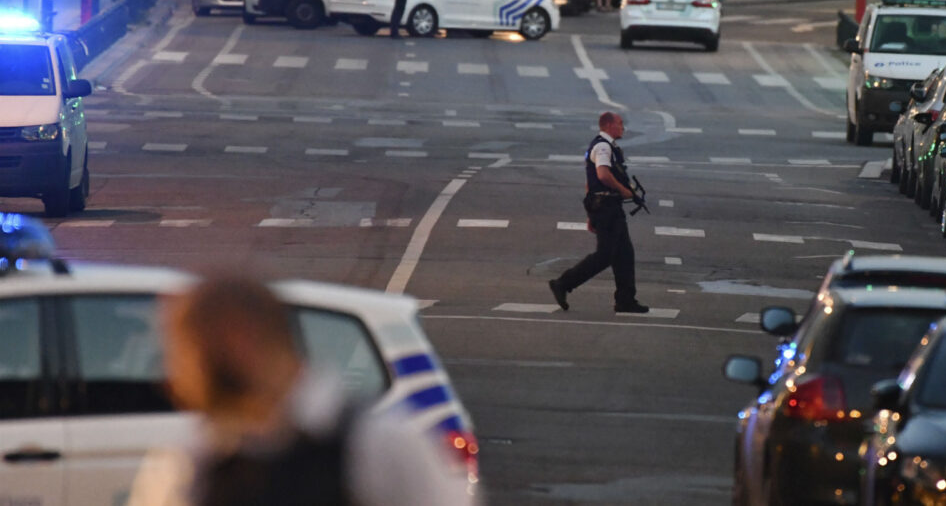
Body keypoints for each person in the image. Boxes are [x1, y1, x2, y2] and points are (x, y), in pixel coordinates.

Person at [129, 271, 472, 506]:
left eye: (183, 357)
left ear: (237, 340)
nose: (173, 381)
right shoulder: (193, 460)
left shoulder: (378, 445)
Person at [548, 112, 650, 314]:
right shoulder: (603, 146)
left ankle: (625, 300)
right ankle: (563, 283)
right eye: (620, 124)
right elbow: (603, 175)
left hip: (606, 207)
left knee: (624, 255)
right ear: (609, 125)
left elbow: (590, 182)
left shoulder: (607, 146)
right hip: (607, 207)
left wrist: (590, 213)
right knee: (605, 256)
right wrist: (624, 191)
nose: (623, 128)